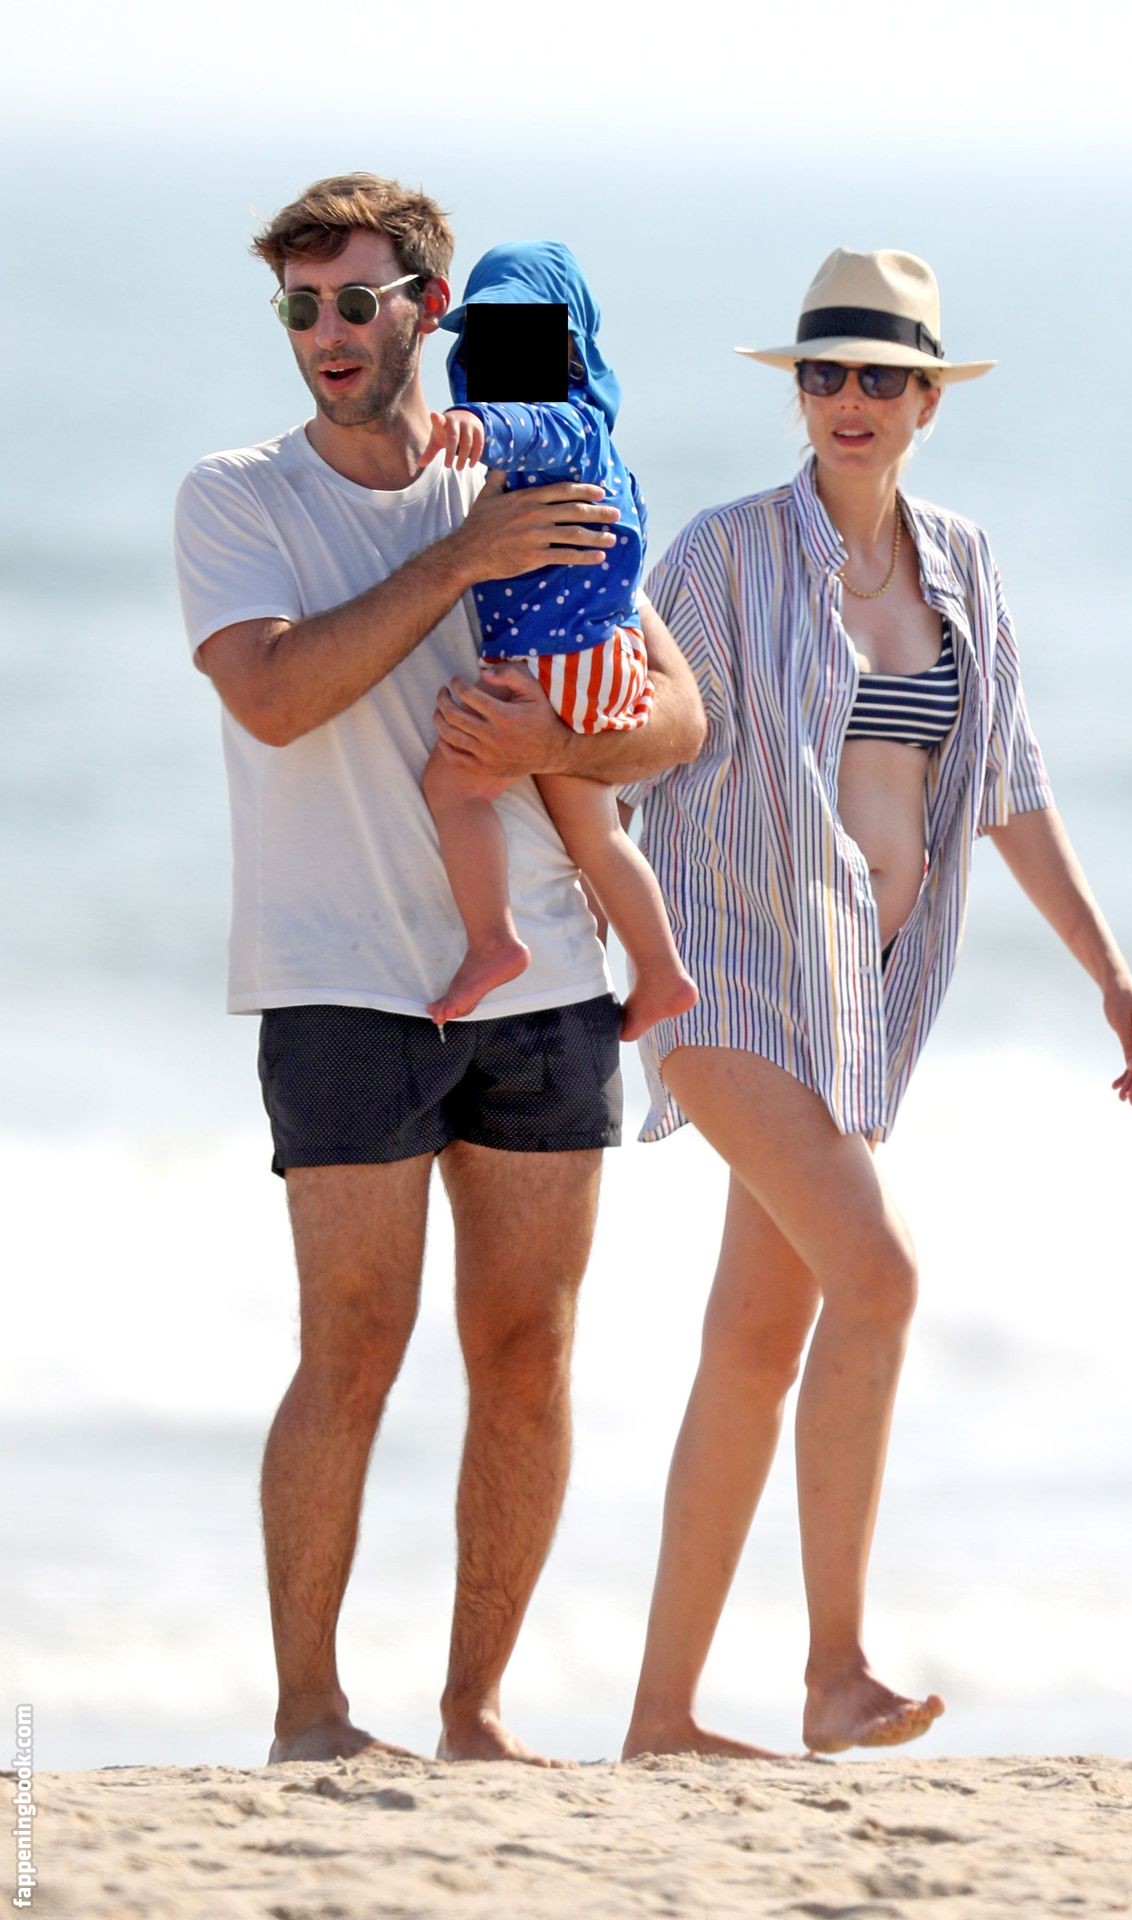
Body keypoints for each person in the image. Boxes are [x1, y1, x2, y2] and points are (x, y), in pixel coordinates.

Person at [172, 173, 704, 1767]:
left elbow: (677, 716)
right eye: (300, 307)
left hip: (547, 989)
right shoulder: (238, 497)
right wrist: (461, 561)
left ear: (431, 306)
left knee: (529, 1355)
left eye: (356, 300)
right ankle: (311, 1714)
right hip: (339, 983)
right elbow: (276, 696)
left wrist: (561, 738)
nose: (326, 332)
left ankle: (476, 1716)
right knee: (351, 1348)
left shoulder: (527, 451)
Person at [619, 248, 1132, 1760]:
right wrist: (583, 894)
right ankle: (836, 1671)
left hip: (861, 1000)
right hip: (728, 972)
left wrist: (1107, 968)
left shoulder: (962, 567)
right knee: (880, 1275)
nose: (847, 400)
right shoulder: (722, 557)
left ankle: (661, 1716)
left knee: (754, 1341)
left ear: (928, 400)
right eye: (823, 373)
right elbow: (624, 731)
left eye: (879, 376)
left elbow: (1007, 785)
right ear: (797, 390)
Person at [420, 241, 697, 1039]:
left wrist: (476, 423)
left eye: (524, 338)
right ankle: (661, 972)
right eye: (490, 339)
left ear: (567, 349)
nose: (503, 357)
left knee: (455, 788)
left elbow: (529, 424)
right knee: (596, 834)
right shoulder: (591, 448)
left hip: (557, 660)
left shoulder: (568, 423)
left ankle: (493, 942)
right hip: (597, 656)